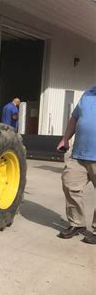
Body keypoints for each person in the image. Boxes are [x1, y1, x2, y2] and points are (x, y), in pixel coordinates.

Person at [57, 85, 96, 244]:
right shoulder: (88, 93)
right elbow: (75, 118)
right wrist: (65, 138)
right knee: (69, 183)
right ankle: (77, 223)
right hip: (79, 153)